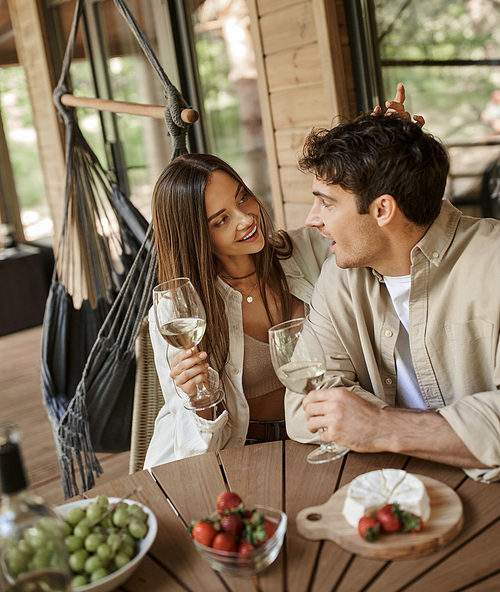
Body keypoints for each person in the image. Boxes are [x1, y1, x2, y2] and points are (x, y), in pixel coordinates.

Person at [144, 86, 417, 467]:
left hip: (318, 437)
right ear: (196, 238)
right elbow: (196, 442)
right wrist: (199, 400)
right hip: (237, 451)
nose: (246, 218)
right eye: (222, 220)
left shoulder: (306, 249)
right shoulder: (180, 311)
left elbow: (391, 230)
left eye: (242, 197)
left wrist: (396, 159)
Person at [285, 113, 500, 482]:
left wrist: (381, 426)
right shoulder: (339, 278)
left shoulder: (492, 263)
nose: (312, 219)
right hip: (391, 486)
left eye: (327, 203)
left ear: (382, 209)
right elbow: (302, 406)